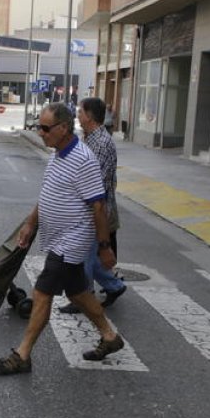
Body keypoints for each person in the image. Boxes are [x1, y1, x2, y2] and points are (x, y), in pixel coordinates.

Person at [0, 102, 124, 375]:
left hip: (72, 240)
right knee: (78, 293)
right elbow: (48, 194)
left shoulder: (83, 160)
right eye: (39, 126)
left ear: (63, 128)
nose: (40, 132)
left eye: (45, 127)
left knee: (42, 293)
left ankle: (22, 355)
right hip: (58, 237)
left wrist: (104, 247)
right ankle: (110, 337)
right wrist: (30, 223)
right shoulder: (57, 155)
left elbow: (98, 206)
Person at [60, 97, 127, 314]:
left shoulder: (101, 143)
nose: (77, 115)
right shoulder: (88, 138)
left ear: (90, 116)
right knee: (89, 254)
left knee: (84, 255)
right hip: (87, 206)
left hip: (94, 207)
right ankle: (114, 286)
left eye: (80, 112)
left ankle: (83, 297)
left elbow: (93, 179)